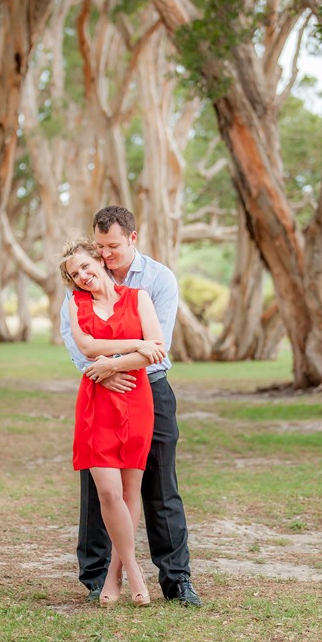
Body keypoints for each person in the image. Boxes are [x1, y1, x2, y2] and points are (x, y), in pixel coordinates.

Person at [60, 206, 202, 607]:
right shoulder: (81, 285)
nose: (106, 255)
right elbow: (77, 342)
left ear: (132, 239)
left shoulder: (157, 280)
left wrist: (116, 363)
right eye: (99, 246)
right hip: (99, 387)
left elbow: (158, 346)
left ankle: (176, 580)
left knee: (159, 485)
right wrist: (101, 371)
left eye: (113, 246)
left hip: (149, 389)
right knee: (98, 488)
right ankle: (96, 577)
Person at [59, 237, 166, 606]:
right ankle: (135, 572)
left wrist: (113, 365)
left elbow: (157, 350)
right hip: (96, 402)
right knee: (106, 491)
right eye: (76, 274)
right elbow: (86, 347)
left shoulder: (140, 299)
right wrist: (135, 343)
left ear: (100, 262)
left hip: (135, 398)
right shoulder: (76, 303)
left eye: (86, 266)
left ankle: (114, 575)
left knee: (128, 492)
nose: (83, 276)